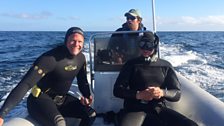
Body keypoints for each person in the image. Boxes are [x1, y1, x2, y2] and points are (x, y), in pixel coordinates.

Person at [0, 27, 96, 126]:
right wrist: (2, 114)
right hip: (39, 100)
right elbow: (26, 84)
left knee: (91, 115)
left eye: (80, 41)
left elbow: (82, 80)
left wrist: (87, 96)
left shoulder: (81, 59)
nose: (76, 44)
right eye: (73, 40)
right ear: (66, 40)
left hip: (61, 100)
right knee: (60, 123)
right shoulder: (49, 59)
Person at [113, 31, 198, 126]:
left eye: (149, 45)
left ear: (155, 46)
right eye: (142, 44)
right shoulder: (131, 65)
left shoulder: (165, 66)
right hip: (134, 108)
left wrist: (162, 92)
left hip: (157, 108)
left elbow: (177, 93)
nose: (145, 48)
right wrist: (138, 95)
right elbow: (117, 90)